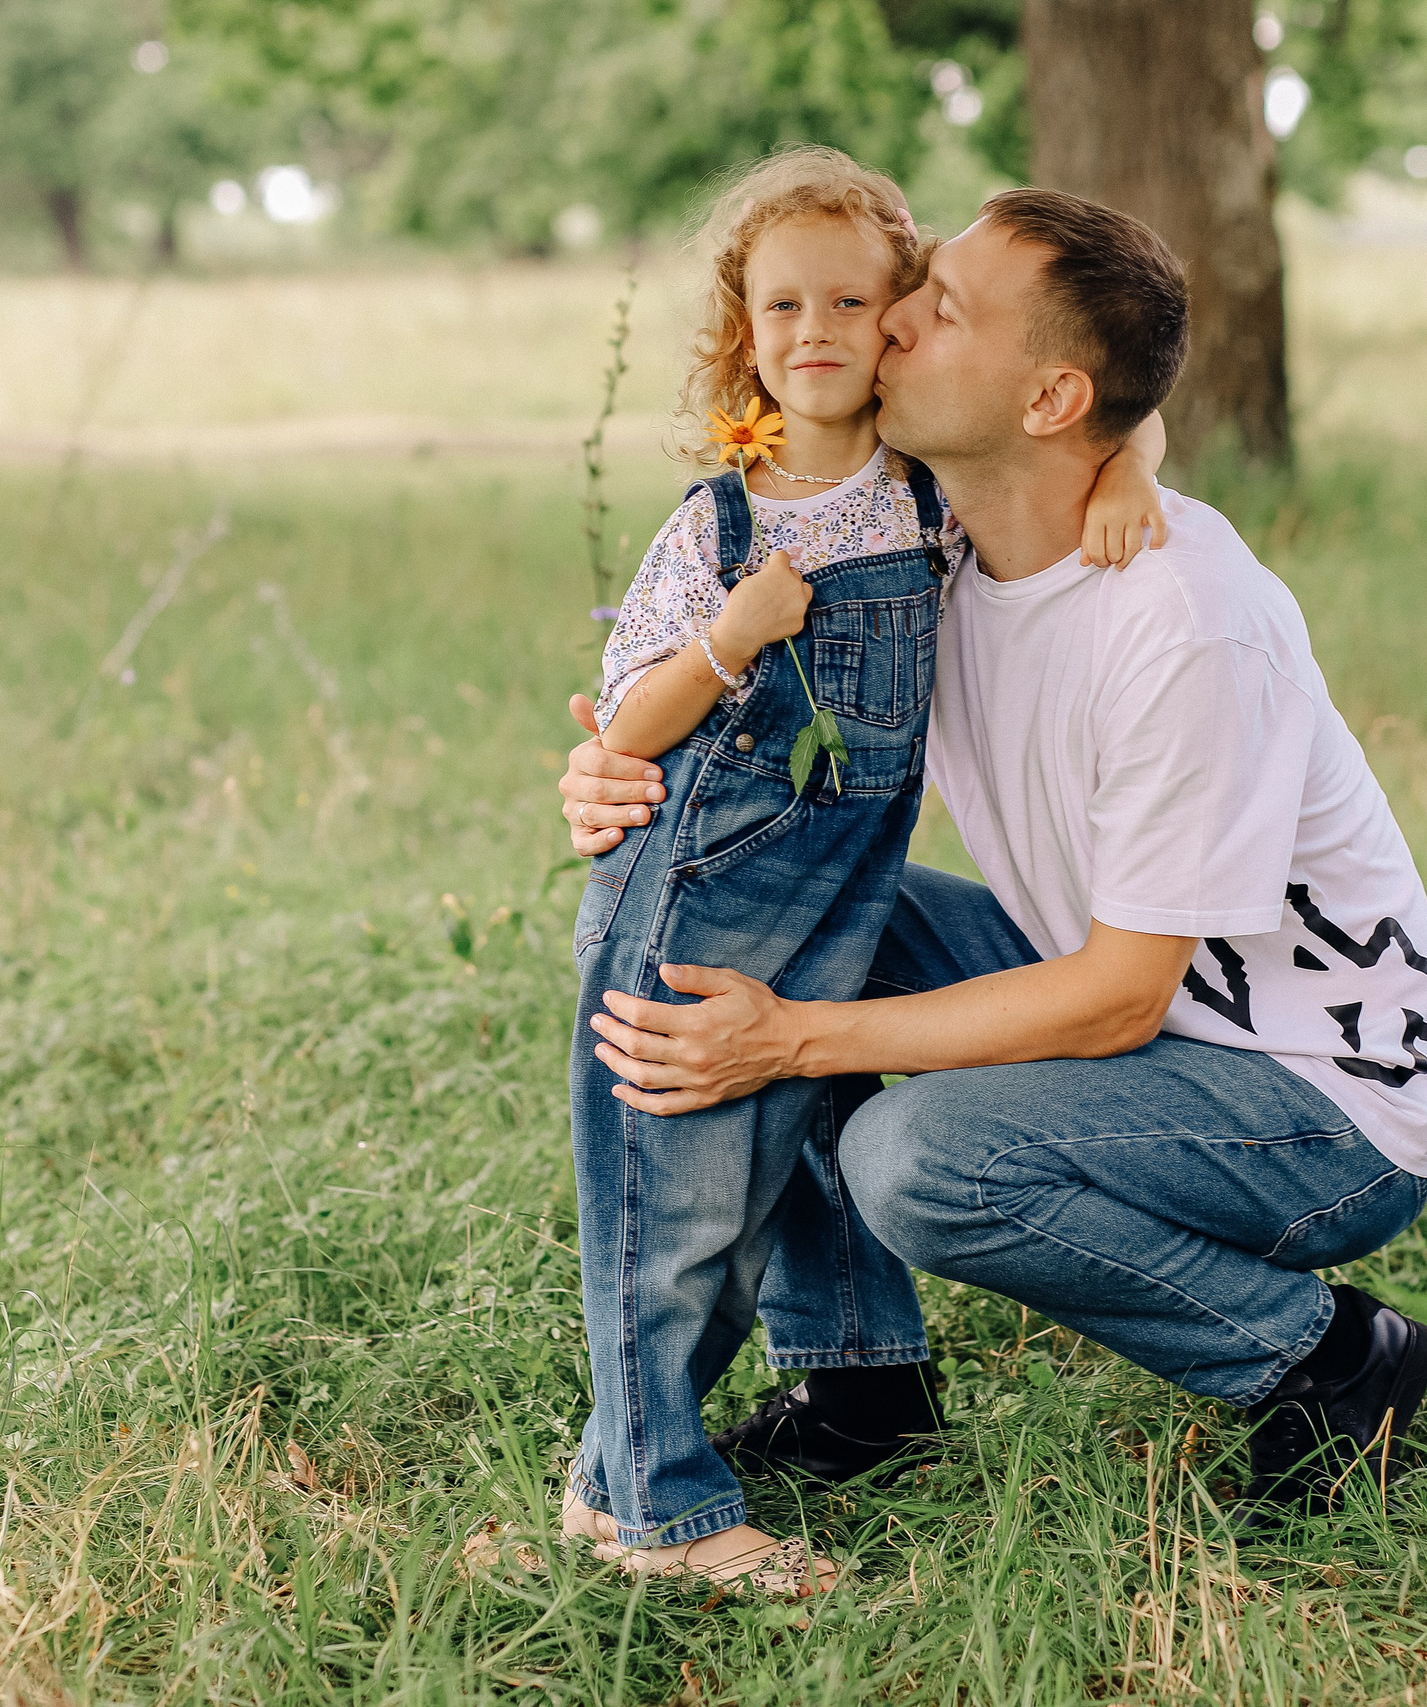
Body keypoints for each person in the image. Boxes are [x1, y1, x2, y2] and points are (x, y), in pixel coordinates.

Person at [560, 188, 1427, 1527]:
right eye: (912, 286)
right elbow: (1113, 391)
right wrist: (613, 761)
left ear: (1047, 403)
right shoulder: (932, 527)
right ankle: (863, 1385)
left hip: (1321, 1096)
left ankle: (1333, 1364)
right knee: (780, 918)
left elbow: (1120, 999)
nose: (897, 321)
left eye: (940, 311)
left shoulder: (1180, 625)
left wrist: (794, 1039)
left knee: (918, 1157)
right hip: (1129, 990)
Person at [559, 148, 1169, 1593]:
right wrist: (739, 636)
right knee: (676, 1208)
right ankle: (664, 1513)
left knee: (795, 1153)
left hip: (837, 900)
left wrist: (1134, 466)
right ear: (745, 332)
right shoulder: (717, 524)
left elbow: (1096, 405)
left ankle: (645, 1475)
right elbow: (628, 715)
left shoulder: (924, 499)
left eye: (854, 300)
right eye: (784, 306)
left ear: (901, 320)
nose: (818, 330)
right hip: (698, 897)